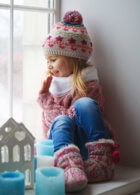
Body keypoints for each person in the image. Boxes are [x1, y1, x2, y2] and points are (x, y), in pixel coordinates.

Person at [38, 10, 120, 192]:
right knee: (62, 121)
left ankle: (102, 163)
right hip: (63, 151)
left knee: (84, 104)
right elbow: (51, 126)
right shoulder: (51, 87)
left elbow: (84, 117)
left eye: (53, 59)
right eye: (47, 61)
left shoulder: (90, 86)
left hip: (87, 153)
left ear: (73, 59)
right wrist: (46, 99)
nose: (49, 65)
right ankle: (69, 168)